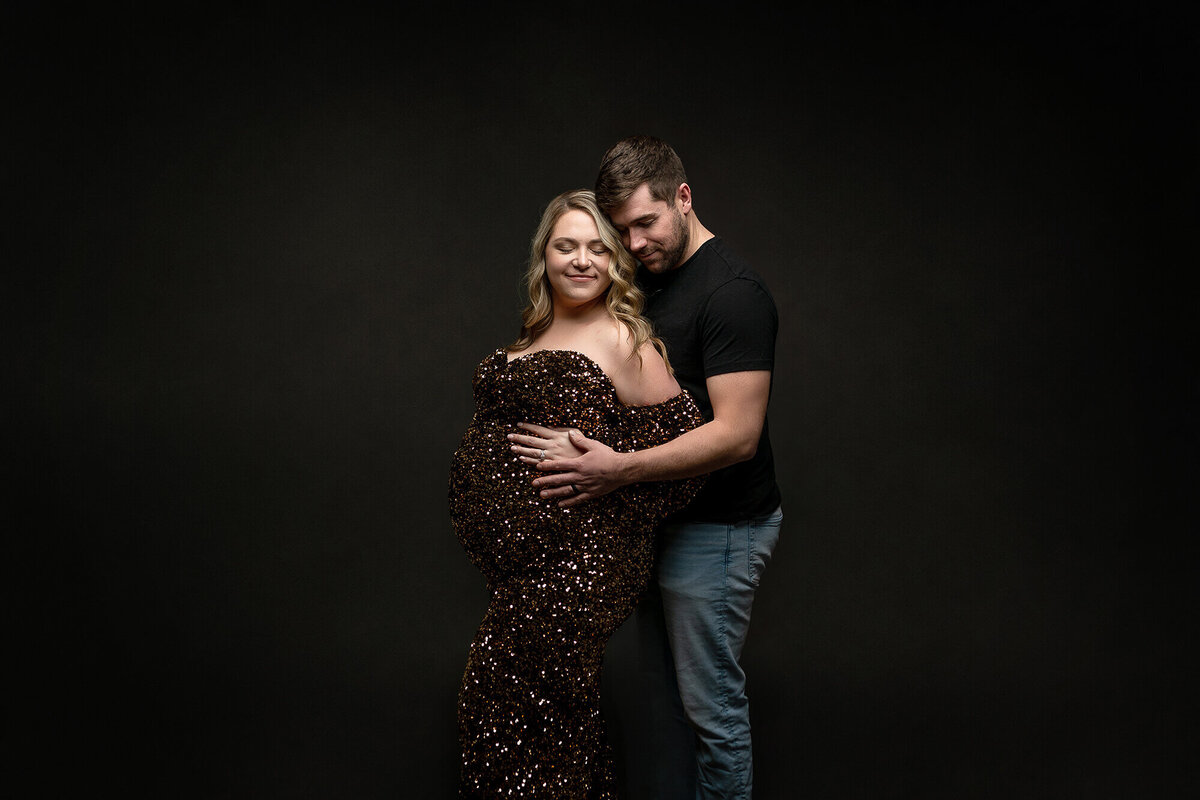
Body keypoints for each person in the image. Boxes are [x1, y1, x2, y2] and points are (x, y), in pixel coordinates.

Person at [511, 136, 783, 800]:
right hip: (658, 523)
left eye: (646, 223)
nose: (633, 244)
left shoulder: (733, 294)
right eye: (621, 230)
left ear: (682, 200)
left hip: (719, 529)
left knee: (710, 712)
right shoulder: (651, 283)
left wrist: (618, 470)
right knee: (666, 709)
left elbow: (737, 436)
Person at [447, 189, 707, 798]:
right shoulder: (531, 333)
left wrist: (611, 475)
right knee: (543, 712)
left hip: (583, 564)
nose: (582, 260)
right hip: (520, 569)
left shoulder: (624, 340)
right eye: (567, 245)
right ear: (545, 256)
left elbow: (687, 458)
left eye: (598, 248)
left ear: (617, 261)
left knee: (510, 698)